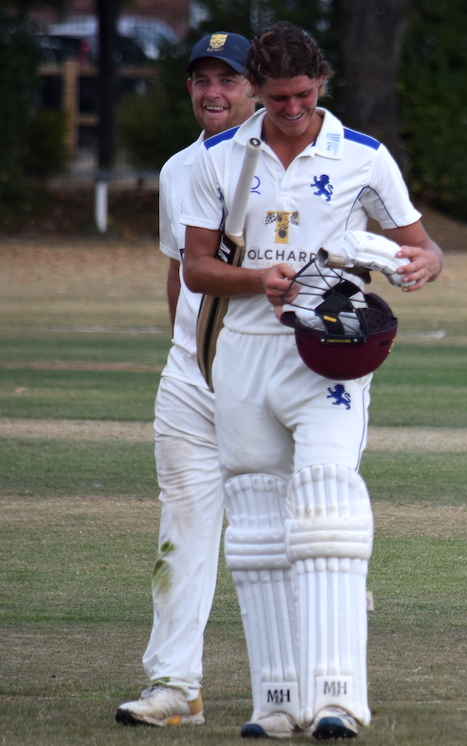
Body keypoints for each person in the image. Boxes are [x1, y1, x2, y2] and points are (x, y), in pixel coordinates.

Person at [181, 22, 443, 739]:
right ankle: (275, 700)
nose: (293, 110)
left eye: (303, 95)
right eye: (277, 99)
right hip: (244, 353)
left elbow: (421, 246)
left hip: (329, 351)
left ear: (321, 83)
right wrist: (257, 279)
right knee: (257, 525)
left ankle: (338, 699)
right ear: (256, 92)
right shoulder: (220, 158)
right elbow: (196, 269)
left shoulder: (363, 156)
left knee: (328, 506)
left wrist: (420, 265)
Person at [116, 31, 256, 728]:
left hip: (267, 376)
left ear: (255, 88)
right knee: (183, 529)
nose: (213, 92)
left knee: (287, 534)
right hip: (191, 378)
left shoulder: (286, 163)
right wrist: (185, 351)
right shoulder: (179, 169)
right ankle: (175, 686)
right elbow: (180, 272)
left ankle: (311, 681)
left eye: (227, 80)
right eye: (202, 80)